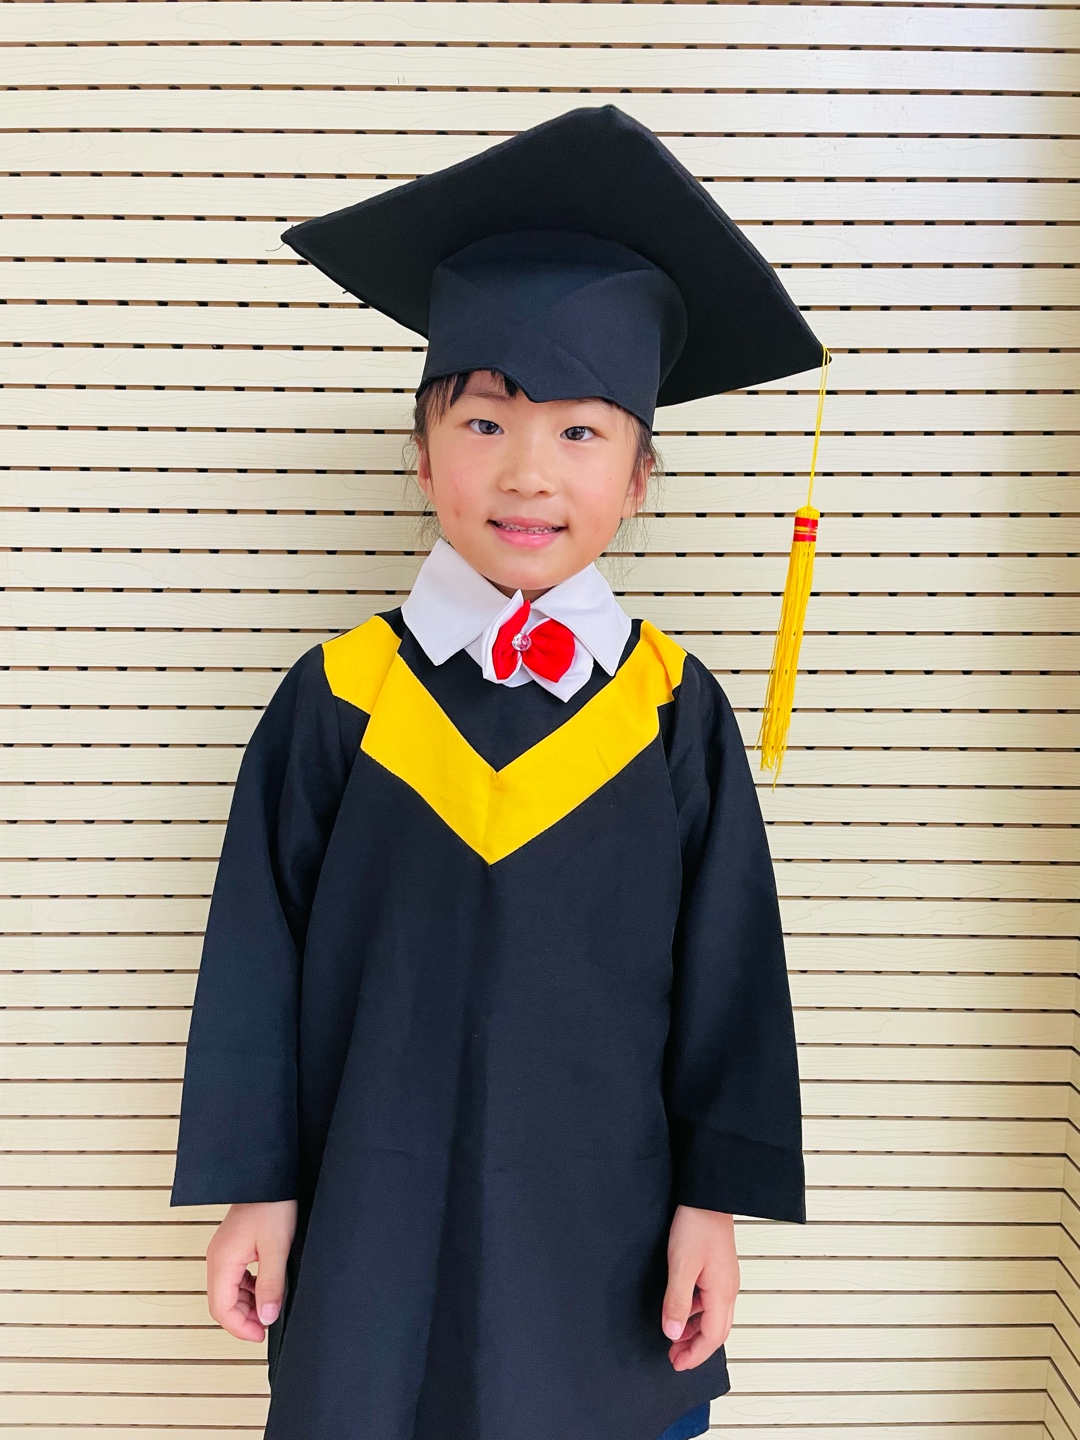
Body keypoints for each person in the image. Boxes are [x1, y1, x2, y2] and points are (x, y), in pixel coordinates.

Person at [170, 104, 823, 1440]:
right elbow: (255, 966)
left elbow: (729, 982)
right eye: (484, 422)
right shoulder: (343, 697)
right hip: (372, 1220)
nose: (527, 473)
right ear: (421, 453)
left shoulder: (669, 711)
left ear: (640, 479)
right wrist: (259, 1187)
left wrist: (712, 1207)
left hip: (609, 1239)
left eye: (582, 433)